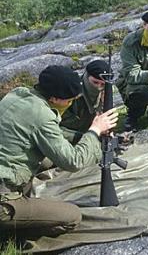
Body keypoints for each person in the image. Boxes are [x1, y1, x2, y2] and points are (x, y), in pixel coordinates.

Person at [0, 65, 118, 239]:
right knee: (71, 216)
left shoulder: (18, 95)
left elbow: (51, 133)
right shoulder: (42, 115)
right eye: (69, 100)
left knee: (47, 160)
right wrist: (94, 131)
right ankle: (9, 237)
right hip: (3, 196)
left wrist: (83, 136)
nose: (70, 103)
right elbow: (73, 162)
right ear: (54, 98)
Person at [60, 60, 109, 143]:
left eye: (102, 84)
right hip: (65, 138)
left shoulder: (106, 92)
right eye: (95, 82)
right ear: (86, 76)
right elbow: (54, 128)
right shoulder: (70, 92)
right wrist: (88, 137)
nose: (98, 87)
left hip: (89, 133)